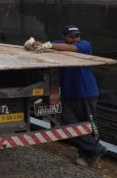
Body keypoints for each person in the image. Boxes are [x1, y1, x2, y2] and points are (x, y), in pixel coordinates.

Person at [24, 25, 107, 167]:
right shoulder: (59, 45)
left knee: (89, 126)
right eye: (71, 36)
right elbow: (48, 47)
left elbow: (70, 48)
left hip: (86, 93)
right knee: (68, 124)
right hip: (69, 95)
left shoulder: (85, 45)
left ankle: (88, 154)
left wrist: (49, 45)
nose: (75, 39)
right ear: (64, 37)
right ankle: (95, 149)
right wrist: (33, 44)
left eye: (77, 36)